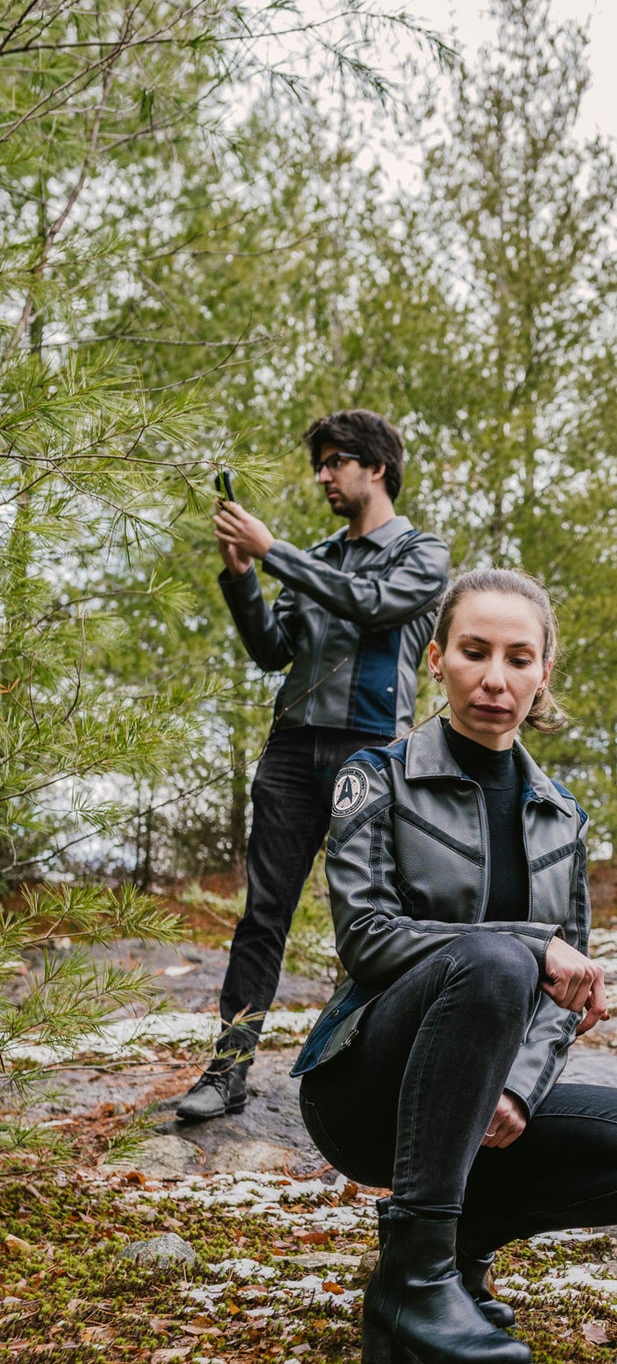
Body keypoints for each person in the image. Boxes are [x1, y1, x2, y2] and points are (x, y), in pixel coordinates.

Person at [292, 569, 617, 1364]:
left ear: (542, 673)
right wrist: (528, 943)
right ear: (437, 660)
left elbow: (565, 997)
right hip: (366, 1092)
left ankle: (452, 1253)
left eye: (518, 659)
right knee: (495, 960)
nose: (495, 678)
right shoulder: (375, 776)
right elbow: (368, 939)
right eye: (473, 652)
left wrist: (519, 1088)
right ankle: (417, 1284)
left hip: (486, 1096)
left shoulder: (562, 816)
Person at [174, 410, 450, 1124]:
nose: (323, 476)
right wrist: (243, 575)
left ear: (376, 467)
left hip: (373, 753)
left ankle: (372, 1076)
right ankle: (227, 1073)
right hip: (292, 750)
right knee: (262, 915)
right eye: (319, 465)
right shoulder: (317, 555)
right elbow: (272, 651)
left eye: (334, 462)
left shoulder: (423, 553)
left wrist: (272, 550)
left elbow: (373, 606)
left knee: (371, 919)